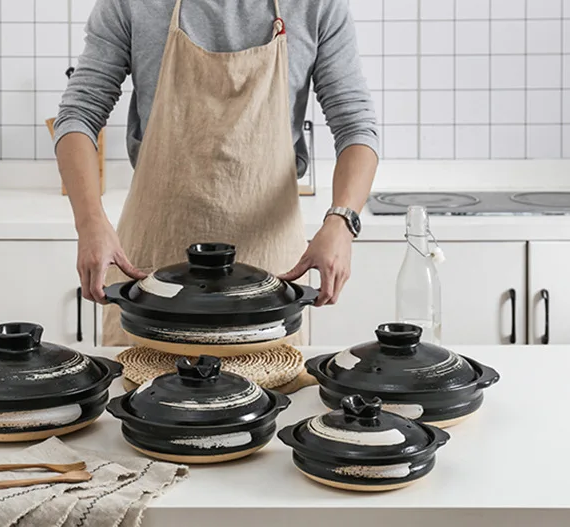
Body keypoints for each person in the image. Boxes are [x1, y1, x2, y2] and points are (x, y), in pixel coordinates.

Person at [54, 0, 379, 346]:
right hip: (153, 278)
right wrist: (89, 223)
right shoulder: (131, 5)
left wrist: (342, 222)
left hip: (269, 279)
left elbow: (356, 127)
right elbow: (79, 116)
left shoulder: (317, 6)